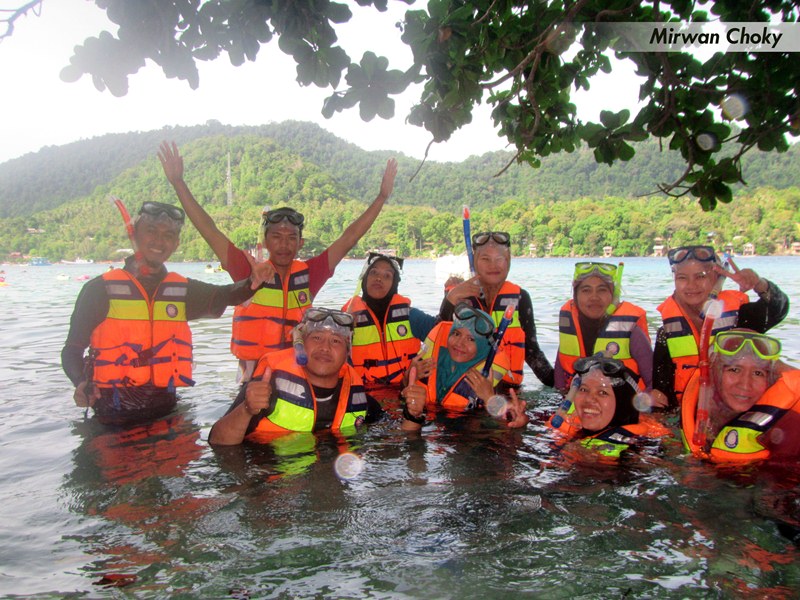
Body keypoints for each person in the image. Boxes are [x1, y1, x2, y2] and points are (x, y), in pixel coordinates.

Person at [158, 141, 398, 381]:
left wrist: (381, 197)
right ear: (265, 240)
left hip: (296, 377)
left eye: (291, 238)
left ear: (300, 243)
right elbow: (209, 231)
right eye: (276, 237)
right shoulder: (247, 270)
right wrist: (178, 183)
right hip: (255, 379)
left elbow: (350, 237)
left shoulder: (310, 275)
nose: (284, 245)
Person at [61, 201, 272, 426]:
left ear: (176, 243)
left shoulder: (181, 291)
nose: (159, 241)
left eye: (168, 235)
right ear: (134, 234)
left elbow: (225, 295)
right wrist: (81, 382)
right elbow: (72, 349)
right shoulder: (99, 290)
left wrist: (254, 282)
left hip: (168, 415)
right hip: (111, 417)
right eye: (151, 232)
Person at [209, 307, 384, 445]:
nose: (325, 347)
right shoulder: (266, 391)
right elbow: (217, 441)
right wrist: (247, 409)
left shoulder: (361, 402)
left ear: (347, 352)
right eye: (316, 338)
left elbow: (395, 438)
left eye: (336, 341)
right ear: (300, 345)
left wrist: (411, 414)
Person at [653, 246, 789, 408]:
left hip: (732, 412)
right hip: (688, 415)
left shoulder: (741, 318)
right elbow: (662, 386)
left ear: (717, 278)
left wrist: (759, 284)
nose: (691, 285)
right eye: (682, 278)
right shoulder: (667, 332)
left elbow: (777, 308)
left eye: (700, 276)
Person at [439, 231, 553, 391]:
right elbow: (438, 341)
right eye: (485, 259)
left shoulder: (520, 298)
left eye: (499, 259)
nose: (493, 265)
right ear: (474, 262)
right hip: (464, 392)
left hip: (508, 394)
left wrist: (560, 387)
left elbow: (531, 351)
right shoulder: (459, 297)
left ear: (509, 261)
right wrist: (450, 299)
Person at [399, 303, 528, 430]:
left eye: (471, 339)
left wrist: (489, 398)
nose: (459, 343)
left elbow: (501, 425)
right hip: (426, 426)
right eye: (456, 334)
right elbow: (403, 396)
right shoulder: (430, 361)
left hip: (461, 435)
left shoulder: (488, 377)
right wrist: (408, 378)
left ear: (483, 346)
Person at [681, 329, 800, 463]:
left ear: (771, 379)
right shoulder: (689, 418)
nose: (745, 384)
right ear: (713, 374)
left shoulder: (788, 426)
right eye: (734, 369)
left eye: (758, 373)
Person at [342, 253, 437, 398]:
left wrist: (449, 299)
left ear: (394, 284)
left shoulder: (411, 316)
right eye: (373, 272)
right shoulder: (346, 320)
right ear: (365, 279)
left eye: (387, 276)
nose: (378, 278)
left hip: (405, 395)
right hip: (363, 399)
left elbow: (445, 332)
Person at [555, 262, 653, 395]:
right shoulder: (570, 332)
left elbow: (654, 385)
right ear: (575, 296)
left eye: (602, 290)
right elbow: (560, 388)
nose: (594, 297)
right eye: (586, 290)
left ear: (613, 296)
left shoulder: (631, 332)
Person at [550, 355, 667, 458]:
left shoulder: (634, 450)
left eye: (602, 393)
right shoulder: (572, 426)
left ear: (623, 403)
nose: (589, 399)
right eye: (584, 389)